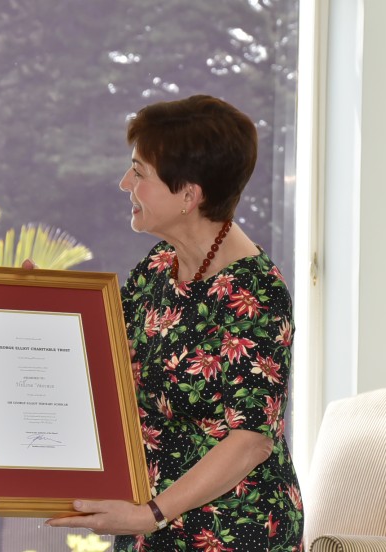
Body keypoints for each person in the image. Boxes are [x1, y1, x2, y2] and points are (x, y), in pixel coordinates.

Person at [47, 95, 304, 551]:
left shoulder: (257, 295)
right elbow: (103, 355)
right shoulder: (159, 266)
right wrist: (25, 301)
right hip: (149, 520)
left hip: (232, 529)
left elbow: (251, 441)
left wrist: (151, 514)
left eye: (140, 173)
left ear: (189, 194)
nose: (125, 182)